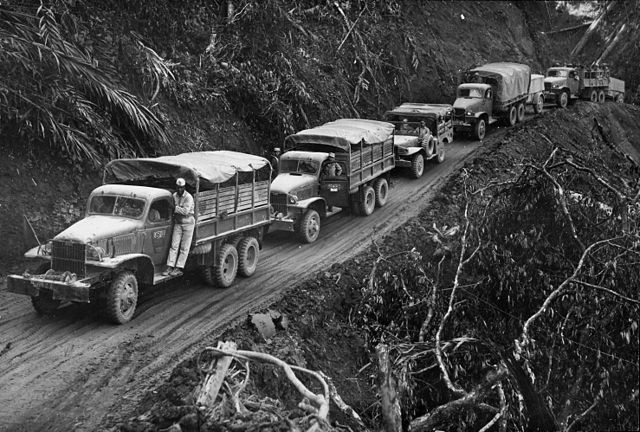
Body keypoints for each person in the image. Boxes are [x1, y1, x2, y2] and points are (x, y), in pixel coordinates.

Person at [163, 178, 195, 276]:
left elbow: (185, 211)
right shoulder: (174, 196)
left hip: (188, 223)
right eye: (178, 188)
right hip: (178, 222)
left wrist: (174, 208)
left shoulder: (188, 197)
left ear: (184, 187)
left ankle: (178, 268)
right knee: (174, 245)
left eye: (181, 188)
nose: (179, 190)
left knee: (184, 247)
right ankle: (170, 266)